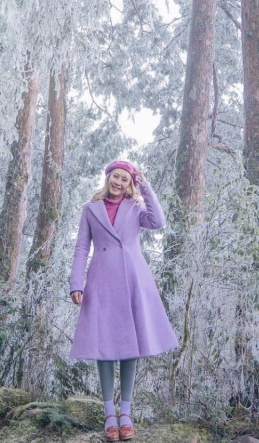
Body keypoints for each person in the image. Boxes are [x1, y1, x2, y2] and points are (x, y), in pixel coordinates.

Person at [69, 160, 178, 441]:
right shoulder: (91, 209)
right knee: (103, 346)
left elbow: (158, 222)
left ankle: (126, 413)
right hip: (101, 281)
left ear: (130, 184)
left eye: (125, 179)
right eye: (115, 177)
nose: (118, 182)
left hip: (133, 280)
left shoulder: (135, 207)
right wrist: (76, 283)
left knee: (131, 345)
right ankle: (109, 414)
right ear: (108, 178)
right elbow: (81, 247)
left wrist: (145, 186)